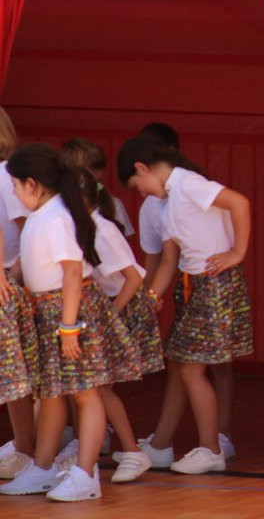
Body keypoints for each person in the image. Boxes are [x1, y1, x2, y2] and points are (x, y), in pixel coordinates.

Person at [0, 144, 141, 501]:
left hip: (68, 313)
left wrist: (69, 326)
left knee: (85, 392)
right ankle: (44, 468)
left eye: (16, 185)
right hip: (48, 312)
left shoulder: (58, 217)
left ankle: (85, 473)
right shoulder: (40, 216)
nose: (13, 193)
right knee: (52, 392)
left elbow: (73, 272)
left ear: (32, 184)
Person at [117, 135, 253, 475]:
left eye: (139, 186)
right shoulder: (170, 198)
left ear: (142, 167)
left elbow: (240, 203)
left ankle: (211, 449)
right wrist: (149, 300)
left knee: (192, 369)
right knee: (179, 364)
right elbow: (167, 262)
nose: (143, 194)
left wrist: (237, 252)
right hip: (195, 287)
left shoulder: (188, 184)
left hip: (214, 286)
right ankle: (161, 446)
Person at [81, 170, 163, 483]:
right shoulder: (83, 225)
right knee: (96, 387)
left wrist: (111, 315)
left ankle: (132, 451)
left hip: (123, 308)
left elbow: (134, 277)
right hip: (111, 309)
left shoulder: (100, 230)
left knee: (100, 387)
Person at [0, 108, 37, 481]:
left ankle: (26, 446)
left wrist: (13, 272)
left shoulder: (6, 176)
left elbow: (28, 228)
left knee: (13, 373)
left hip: (10, 285)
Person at [58, 138, 135, 237]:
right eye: (85, 182)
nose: (93, 188)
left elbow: (124, 242)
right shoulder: (51, 206)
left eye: (97, 182)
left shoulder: (113, 204)